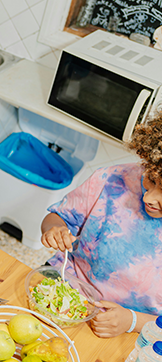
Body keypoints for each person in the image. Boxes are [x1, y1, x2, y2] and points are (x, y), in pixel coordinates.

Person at [40, 112, 162, 338]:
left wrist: (132, 321)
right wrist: (54, 230)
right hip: (65, 287)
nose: (148, 198)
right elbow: (56, 218)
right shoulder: (113, 178)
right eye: (151, 180)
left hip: (135, 332)